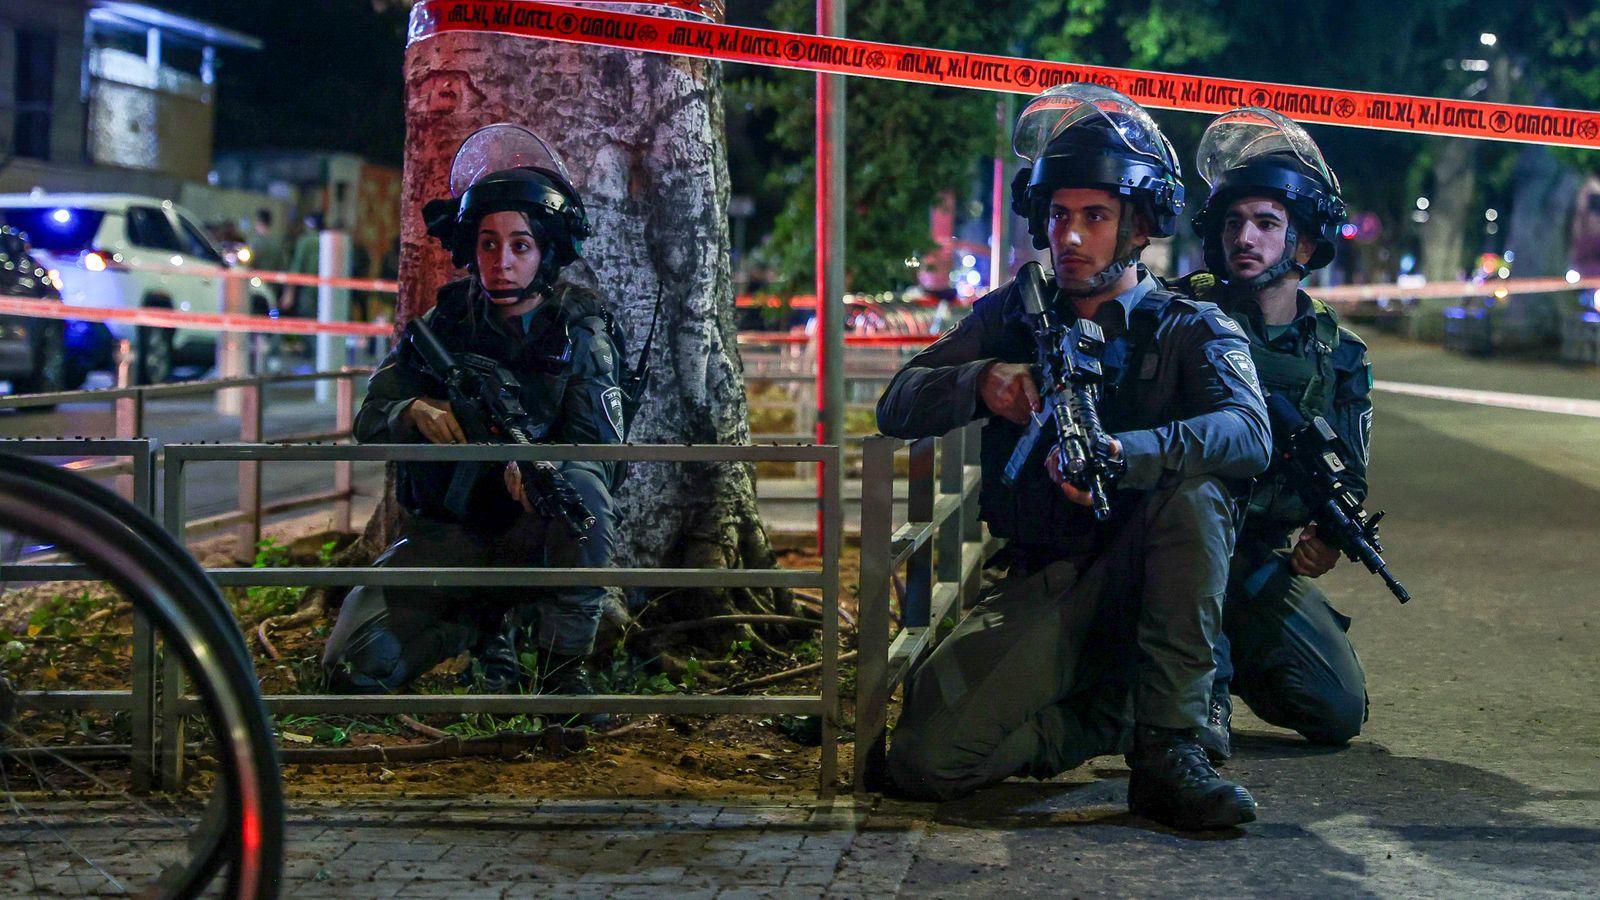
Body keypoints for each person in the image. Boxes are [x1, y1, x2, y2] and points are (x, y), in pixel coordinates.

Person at [876, 84, 1272, 831]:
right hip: (1045, 574)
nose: (1072, 236)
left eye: (1095, 216)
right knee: (923, 764)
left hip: (1150, 576)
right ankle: (1111, 718)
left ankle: (1168, 751)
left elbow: (1248, 432)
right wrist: (983, 381)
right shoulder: (1012, 316)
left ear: (1137, 225)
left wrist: (1128, 454)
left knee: (1195, 495)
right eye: (1060, 215)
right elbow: (897, 401)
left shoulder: (1191, 326)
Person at [322, 124, 624, 716]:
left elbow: (603, 457)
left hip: (535, 541)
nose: (502, 262)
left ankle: (562, 672)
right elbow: (371, 413)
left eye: (519, 245)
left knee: (581, 488)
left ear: (546, 252)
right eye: (488, 244)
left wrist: (542, 463)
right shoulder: (446, 324)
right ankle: (480, 632)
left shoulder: (580, 333)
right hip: (450, 539)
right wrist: (413, 409)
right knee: (354, 670)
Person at [1183, 108, 1371, 761]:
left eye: (1267, 223)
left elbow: (1346, 467)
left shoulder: (1338, 356)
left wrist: (1326, 537)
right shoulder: (1177, 315)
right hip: (1156, 551)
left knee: (1337, 707)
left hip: (1255, 559)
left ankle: (1209, 662)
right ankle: (1186, 685)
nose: (1245, 237)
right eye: (1234, 221)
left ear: (1305, 244)